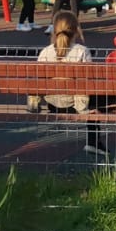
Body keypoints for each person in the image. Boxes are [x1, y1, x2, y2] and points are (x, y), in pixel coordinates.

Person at [30, 9, 98, 149]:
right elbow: (87, 81)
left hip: (52, 104)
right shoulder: (82, 51)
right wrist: (82, 108)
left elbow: (38, 81)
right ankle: (94, 143)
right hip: (75, 104)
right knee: (103, 96)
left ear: (54, 30)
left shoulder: (45, 52)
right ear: (76, 30)